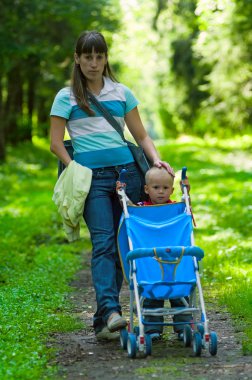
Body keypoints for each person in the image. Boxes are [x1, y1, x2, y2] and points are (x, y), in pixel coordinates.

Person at [50, 30, 174, 341]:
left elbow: (141, 136)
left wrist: (157, 161)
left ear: (106, 58)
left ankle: (104, 320)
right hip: (90, 180)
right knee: (103, 244)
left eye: (99, 56)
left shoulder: (121, 93)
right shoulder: (66, 97)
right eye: (87, 56)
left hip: (127, 175)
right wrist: (74, 167)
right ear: (77, 59)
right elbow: (55, 143)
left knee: (124, 246)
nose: (93, 63)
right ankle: (111, 310)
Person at [117, 166, 192, 340]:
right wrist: (122, 194)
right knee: (151, 297)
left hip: (175, 263)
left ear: (171, 190)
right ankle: (152, 330)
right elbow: (128, 208)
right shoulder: (140, 208)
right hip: (149, 265)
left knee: (180, 294)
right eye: (156, 188)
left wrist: (186, 192)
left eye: (165, 188)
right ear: (146, 189)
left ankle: (183, 328)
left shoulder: (176, 208)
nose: (160, 192)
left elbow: (186, 204)